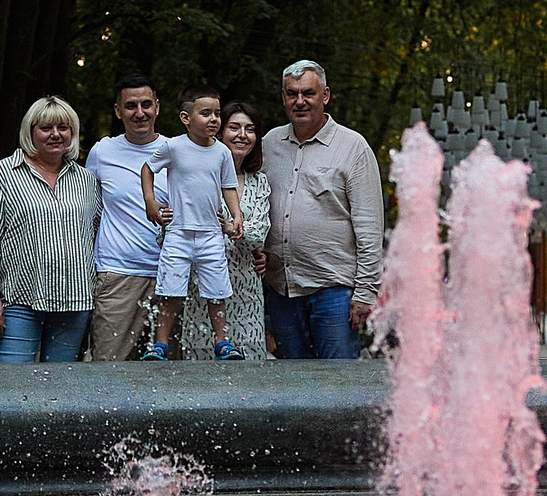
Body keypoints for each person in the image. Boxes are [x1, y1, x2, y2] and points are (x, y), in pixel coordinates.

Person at [259, 59, 384, 359]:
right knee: (292, 389)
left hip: (334, 293)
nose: (299, 101)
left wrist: (366, 293)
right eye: (292, 94)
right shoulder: (268, 144)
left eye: (308, 93)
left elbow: (369, 227)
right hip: (281, 290)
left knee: (338, 388)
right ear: (283, 97)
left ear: (325, 95)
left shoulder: (353, 147)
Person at [0, 96, 101, 363]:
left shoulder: (87, 180)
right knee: (12, 385)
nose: (56, 134)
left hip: (75, 300)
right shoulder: (2, 175)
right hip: (22, 299)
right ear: (30, 132)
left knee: (58, 389)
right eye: (46, 128)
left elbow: (98, 234)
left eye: (63, 128)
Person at [134, 86, 248, 360]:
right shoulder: (173, 146)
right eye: (206, 113)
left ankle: (222, 342)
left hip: (211, 234)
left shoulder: (221, 152)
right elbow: (147, 169)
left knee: (217, 291)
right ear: (186, 118)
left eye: (217, 114)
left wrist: (236, 216)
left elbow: (229, 186)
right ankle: (160, 344)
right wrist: (151, 203)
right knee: (170, 291)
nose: (214, 119)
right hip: (178, 233)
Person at [177, 101, 273, 360]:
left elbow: (259, 234)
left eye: (250, 129)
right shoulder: (193, 175)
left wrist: (229, 228)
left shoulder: (259, 182)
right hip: (201, 296)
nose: (242, 135)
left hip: (246, 296)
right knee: (201, 382)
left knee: (250, 380)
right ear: (219, 133)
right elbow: (170, 235)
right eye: (234, 128)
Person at [84, 74, 169, 362]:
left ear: (157, 107)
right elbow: (88, 212)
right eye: (131, 106)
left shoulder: (178, 151)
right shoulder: (102, 152)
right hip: (118, 274)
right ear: (118, 111)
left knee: (174, 371)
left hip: (171, 275)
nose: (140, 112)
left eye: (146, 104)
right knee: (107, 366)